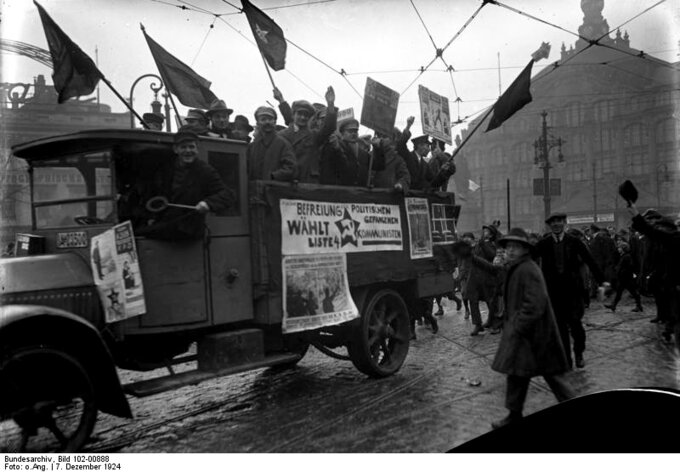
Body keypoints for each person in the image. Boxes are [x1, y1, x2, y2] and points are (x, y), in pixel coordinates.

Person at [482, 228, 574, 429]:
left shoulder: (529, 269)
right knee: (516, 375)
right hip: (526, 335)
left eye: (517, 247)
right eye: (509, 247)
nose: (511, 251)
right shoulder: (517, 267)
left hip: (537, 336)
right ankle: (514, 415)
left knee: (554, 377)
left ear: (525, 249)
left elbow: (535, 304)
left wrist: (517, 326)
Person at [137, 126, 234, 240]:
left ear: (197, 149)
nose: (188, 151)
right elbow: (154, 194)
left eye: (191, 147)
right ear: (176, 149)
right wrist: (151, 216)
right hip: (166, 223)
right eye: (183, 147)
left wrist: (208, 203)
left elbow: (228, 195)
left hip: (188, 229)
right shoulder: (166, 170)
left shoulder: (205, 171)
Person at [535, 212, 605, 369]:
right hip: (553, 293)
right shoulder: (543, 243)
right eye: (553, 222)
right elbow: (530, 258)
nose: (556, 224)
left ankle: (579, 353)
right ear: (549, 225)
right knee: (559, 329)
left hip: (573, 292)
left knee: (576, 325)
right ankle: (566, 358)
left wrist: (603, 281)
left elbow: (590, 260)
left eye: (559, 221)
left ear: (564, 223)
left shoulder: (574, 242)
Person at [627, 204, 680, 346]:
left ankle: (669, 325)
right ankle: (667, 324)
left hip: (669, 273)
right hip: (665, 272)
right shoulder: (665, 235)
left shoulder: (666, 234)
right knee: (667, 298)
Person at [278, 87, 337, 183]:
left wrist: (330, 104)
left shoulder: (314, 136)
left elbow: (329, 127)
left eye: (306, 115)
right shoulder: (281, 136)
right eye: (300, 114)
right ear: (293, 115)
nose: (303, 117)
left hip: (307, 182)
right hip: (286, 182)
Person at [246, 106, 296, 182]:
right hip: (254, 190)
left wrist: (273, 176)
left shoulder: (283, 144)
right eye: (263, 119)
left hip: (275, 190)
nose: (267, 122)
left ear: (275, 122)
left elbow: (291, 168)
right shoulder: (252, 147)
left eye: (270, 119)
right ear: (258, 123)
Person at [605, 242, 643, 313]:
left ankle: (639, 306)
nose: (618, 249)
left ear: (623, 249)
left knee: (633, 292)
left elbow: (629, 267)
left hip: (626, 278)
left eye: (619, 248)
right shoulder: (623, 256)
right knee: (619, 292)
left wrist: (621, 271)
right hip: (623, 278)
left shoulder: (627, 256)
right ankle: (614, 305)